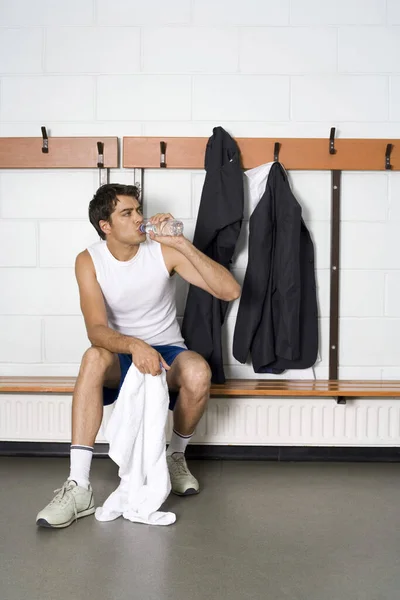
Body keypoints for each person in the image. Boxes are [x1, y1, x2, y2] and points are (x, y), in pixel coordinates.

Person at [36, 183, 241, 528]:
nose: (139, 219)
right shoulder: (89, 260)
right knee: (92, 357)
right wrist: (133, 344)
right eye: (127, 214)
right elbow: (97, 330)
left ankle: (175, 457)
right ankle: (79, 485)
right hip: (120, 352)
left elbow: (230, 290)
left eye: (138, 211)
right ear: (106, 226)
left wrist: (180, 243)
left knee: (197, 372)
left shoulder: (163, 252)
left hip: (167, 349)